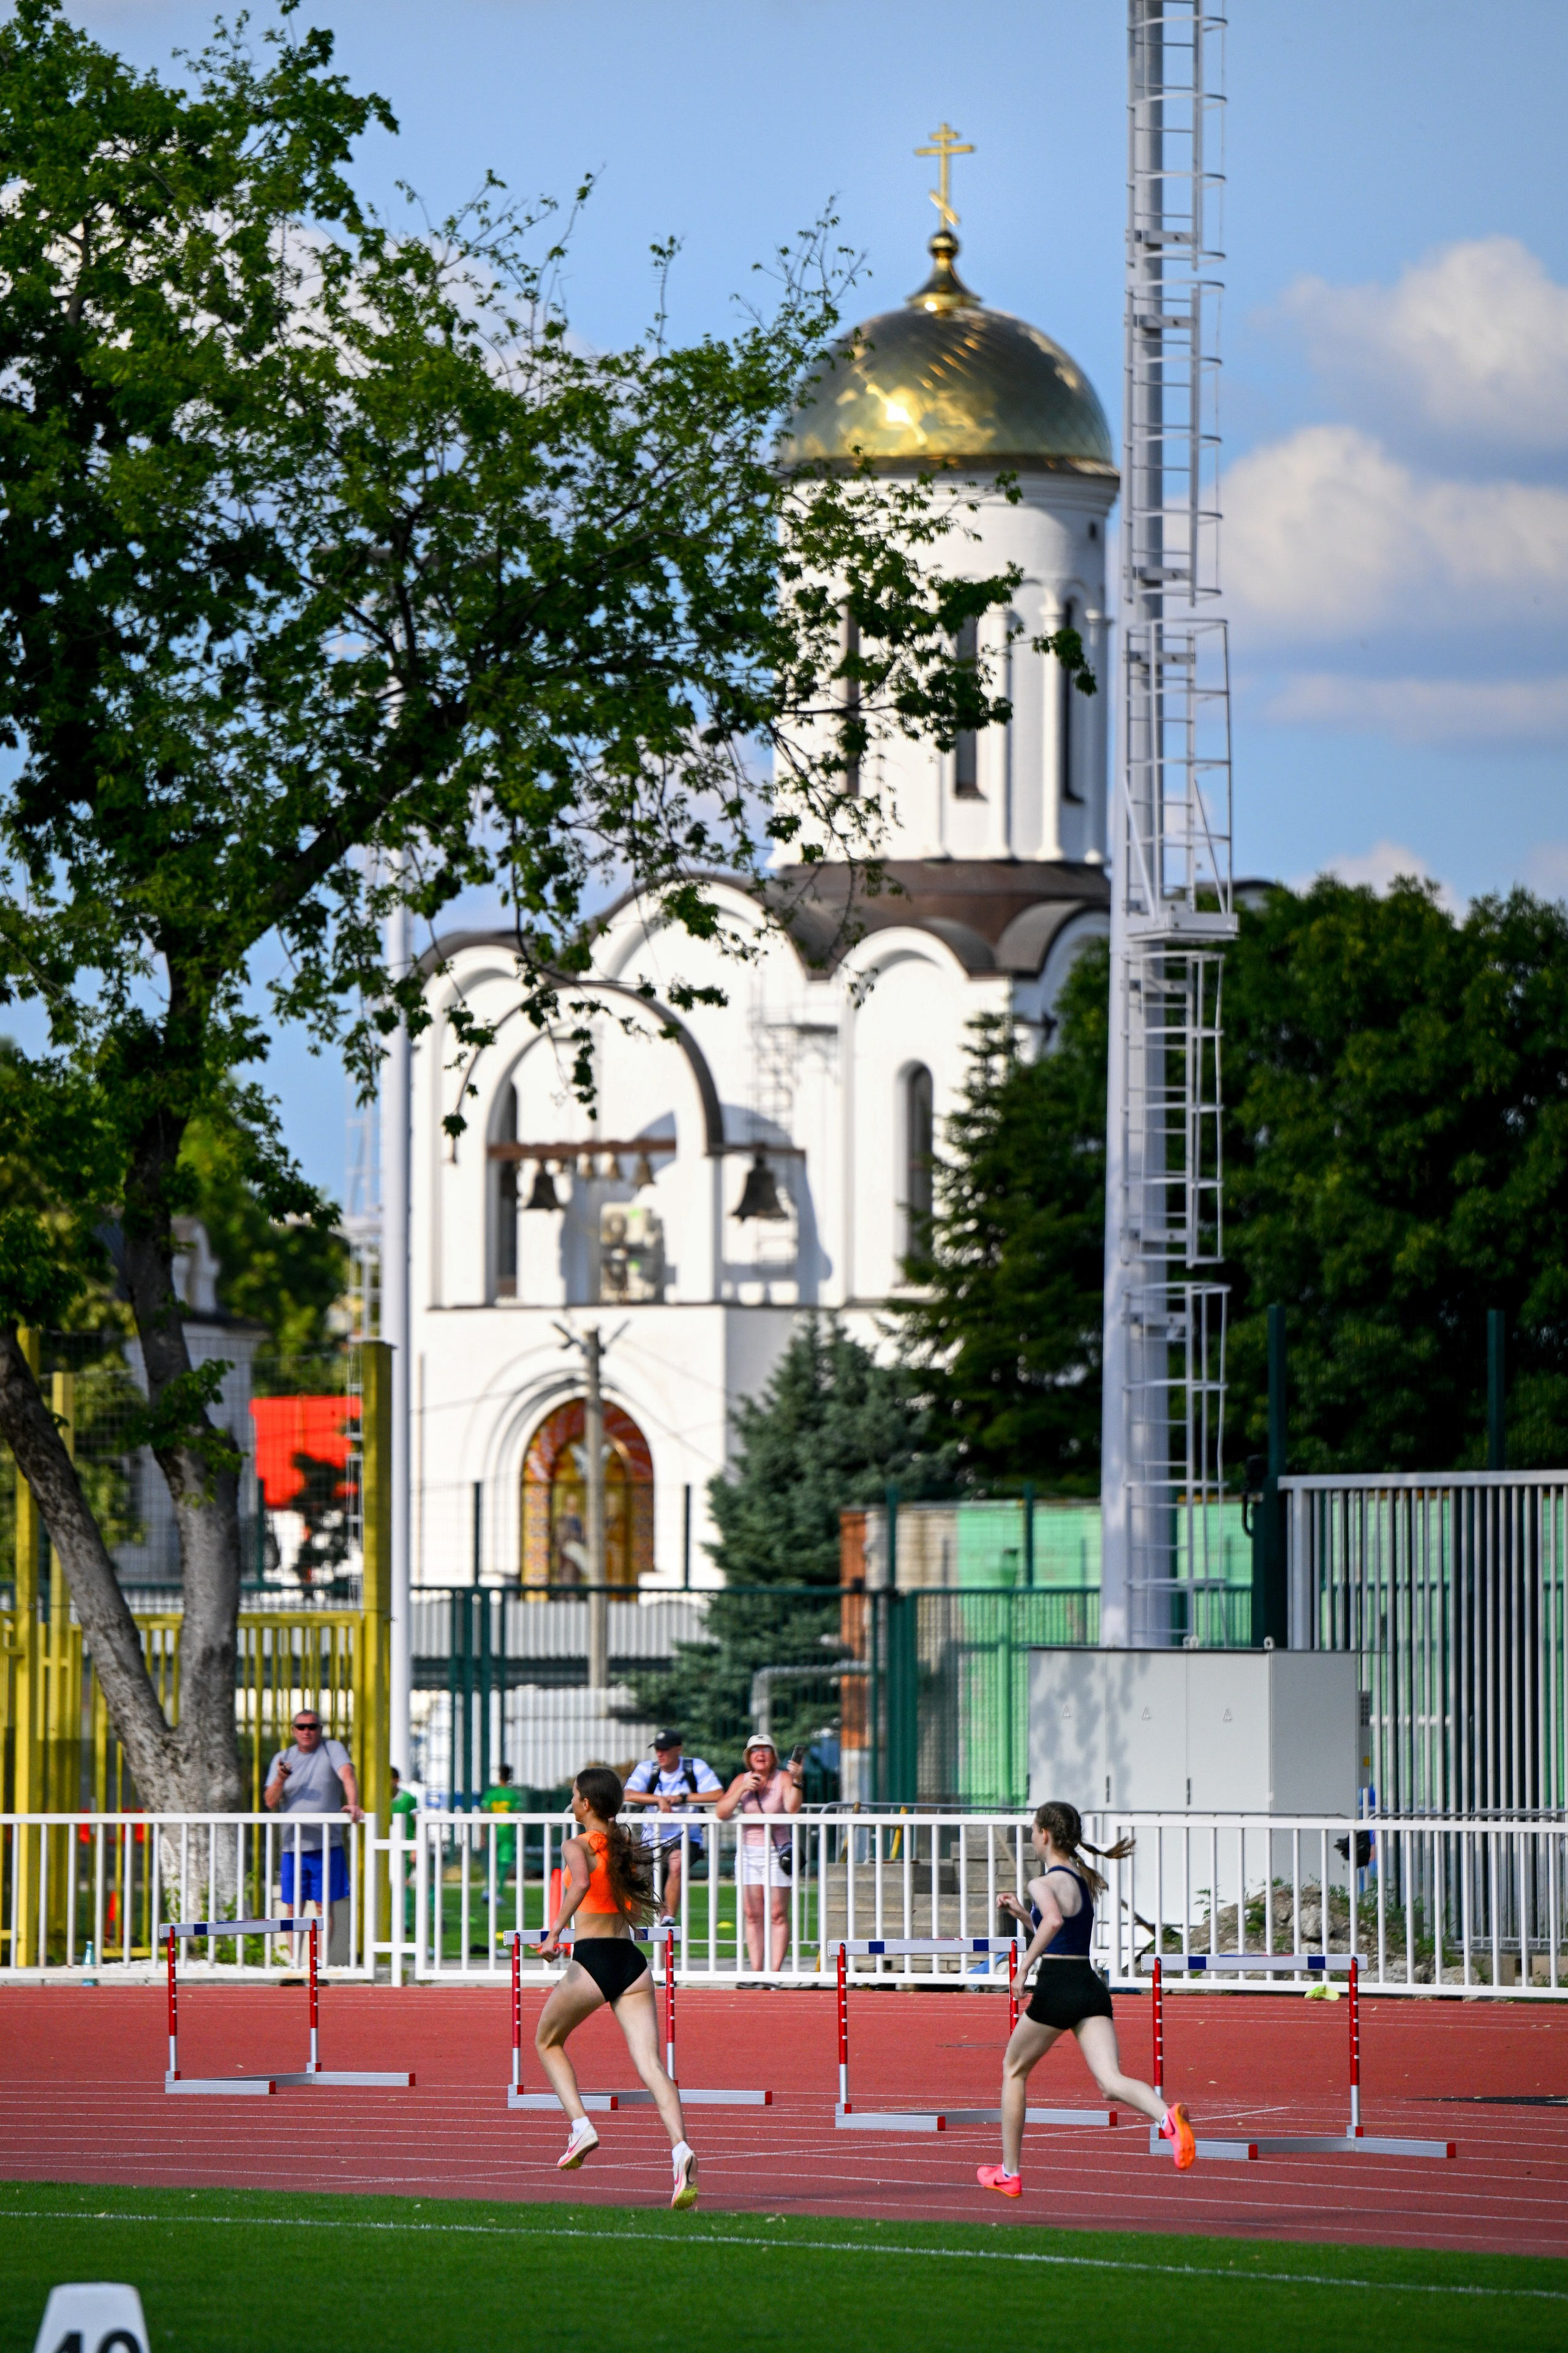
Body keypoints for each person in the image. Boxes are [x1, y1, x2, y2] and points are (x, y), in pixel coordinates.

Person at [976, 1800, 1196, 2198]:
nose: (1030, 1836)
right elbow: (1057, 1928)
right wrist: (1025, 1917)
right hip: (1089, 1986)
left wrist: (1023, 1968)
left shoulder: (1041, 1883)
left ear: (1044, 1835)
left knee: (1013, 2069)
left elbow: (1055, 1923)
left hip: (1058, 1984)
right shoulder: (1080, 1878)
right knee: (1111, 2081)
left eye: (1032, 1830)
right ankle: (1167, 2119)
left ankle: (1010, 2172)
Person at [535, 1766, 699, 2210]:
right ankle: (681, 2150)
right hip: (631, 1962)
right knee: (652, 2065)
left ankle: (580, 2126)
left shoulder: (576, 1844)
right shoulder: (625, 1846)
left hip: (594, 1959)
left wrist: (554, 1934)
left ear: (586, 1803)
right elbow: (624, 1904)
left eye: (573, 1796)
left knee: (547, 2040)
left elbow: (583, 1883)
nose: (571, 1802)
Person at [263, 1710, 363, 1958]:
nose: (307, 1731)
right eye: (301, 1727)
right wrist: (280, 1779)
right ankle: (295, 1964)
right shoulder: (283, 1757)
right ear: (293, 1730)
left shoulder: (332, 1749)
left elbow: (347, 1775)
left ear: (319, 1729)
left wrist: (353, 1803)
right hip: (292, 1846)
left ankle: (318, 1965)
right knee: (293, 1907)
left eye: (312, 1727)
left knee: (322, 1907)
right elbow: (270, 1801)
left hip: (327, 1844)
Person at [714, 1732, 802, 1972]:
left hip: (777, 1852)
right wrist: (742, 1789)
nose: (760, 1754)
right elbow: (721, 1811)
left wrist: (797, 1780)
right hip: (748, 1853)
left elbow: (793, 1807)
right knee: (752, 1914)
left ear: (773, 1756)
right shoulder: (742, 1779)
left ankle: (774, 1973)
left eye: (765, 1749)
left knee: (777, 1913)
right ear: (748, 1757)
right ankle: (756, 1970)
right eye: (755, 1750)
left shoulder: (783, 1778)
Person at [623, 1731, 722, 1923]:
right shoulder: (647, 1769)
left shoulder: (695, 1767)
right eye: (658, 1749)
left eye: (665, 1749)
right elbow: (628, 1794)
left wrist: (683, 1798)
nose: (660, 1754)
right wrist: (659, 1800)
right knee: (638, 1887)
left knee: (676, 1863)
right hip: (650, 1842)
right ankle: (629, 1928)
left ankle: (668, 1919)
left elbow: (718, 1794)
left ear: (679, 1749)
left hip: (686, 1839)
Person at [480, 1761, 523, 1883]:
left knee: (491, 1861)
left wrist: (482, 1835)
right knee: (504, 1862)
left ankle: (488, 1888)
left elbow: (485, 1814)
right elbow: (517, 1814)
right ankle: (499, 1891)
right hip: (507, 1833)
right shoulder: (512, 1795)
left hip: (492, 1831)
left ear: (499, 1776)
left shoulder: (490, 1794)